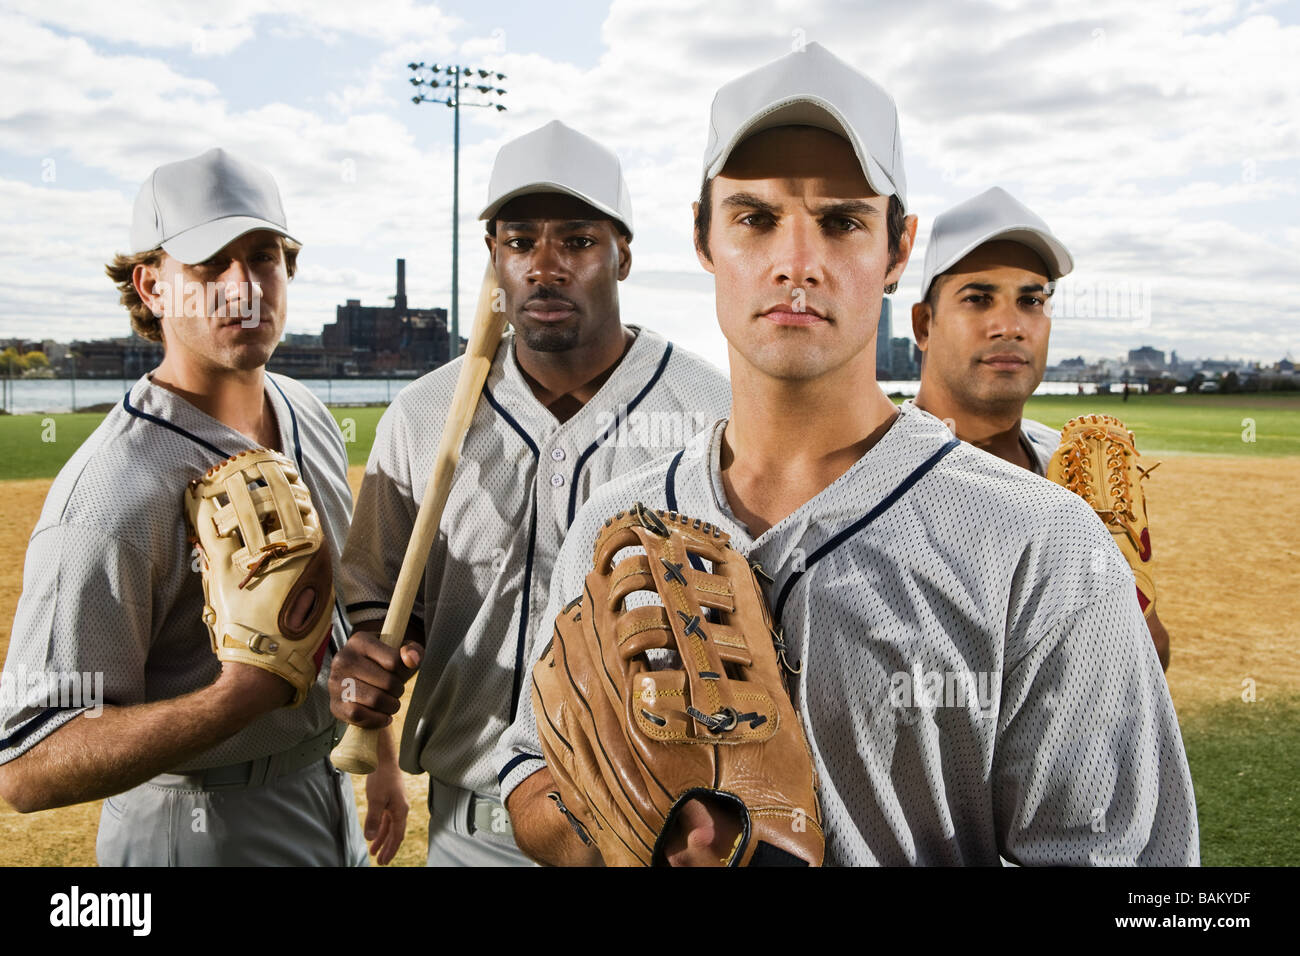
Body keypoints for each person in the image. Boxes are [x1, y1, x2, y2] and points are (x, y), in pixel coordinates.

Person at [495, 44, 1198, 866]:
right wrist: (621, 810)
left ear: (897, 250)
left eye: (842, 221)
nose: (798, 263)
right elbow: (530, 779)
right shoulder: (613, 526)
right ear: (702, 237)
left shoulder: (1043, 543)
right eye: (755, 218)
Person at [330, 121, 731, 866]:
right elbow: (375, 597)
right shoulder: (422, 415)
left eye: (576, 241)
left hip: (658, 825)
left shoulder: (711, 414)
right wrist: (364, 654)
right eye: (520, 242)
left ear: (624, 255)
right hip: (472, 826)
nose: (545, 267)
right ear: (494, 258)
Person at [0, 148, 406, 865]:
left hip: (322, 790)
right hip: (194, 824)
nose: (243, 286)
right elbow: (26, 764)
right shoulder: (109, 490)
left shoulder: (305, 410)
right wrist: (239, 696)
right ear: (152, 287)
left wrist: (380, 762)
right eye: (210, 265)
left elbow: (340, 622)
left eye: (263, 257)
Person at [909, 187, 1171, 669]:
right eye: (979, 298)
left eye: (1031, 300)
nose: (1010, 325)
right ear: (924, 325)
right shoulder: (875, 472)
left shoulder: (1071, 457)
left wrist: (1140, 624)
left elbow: (1151, 654)